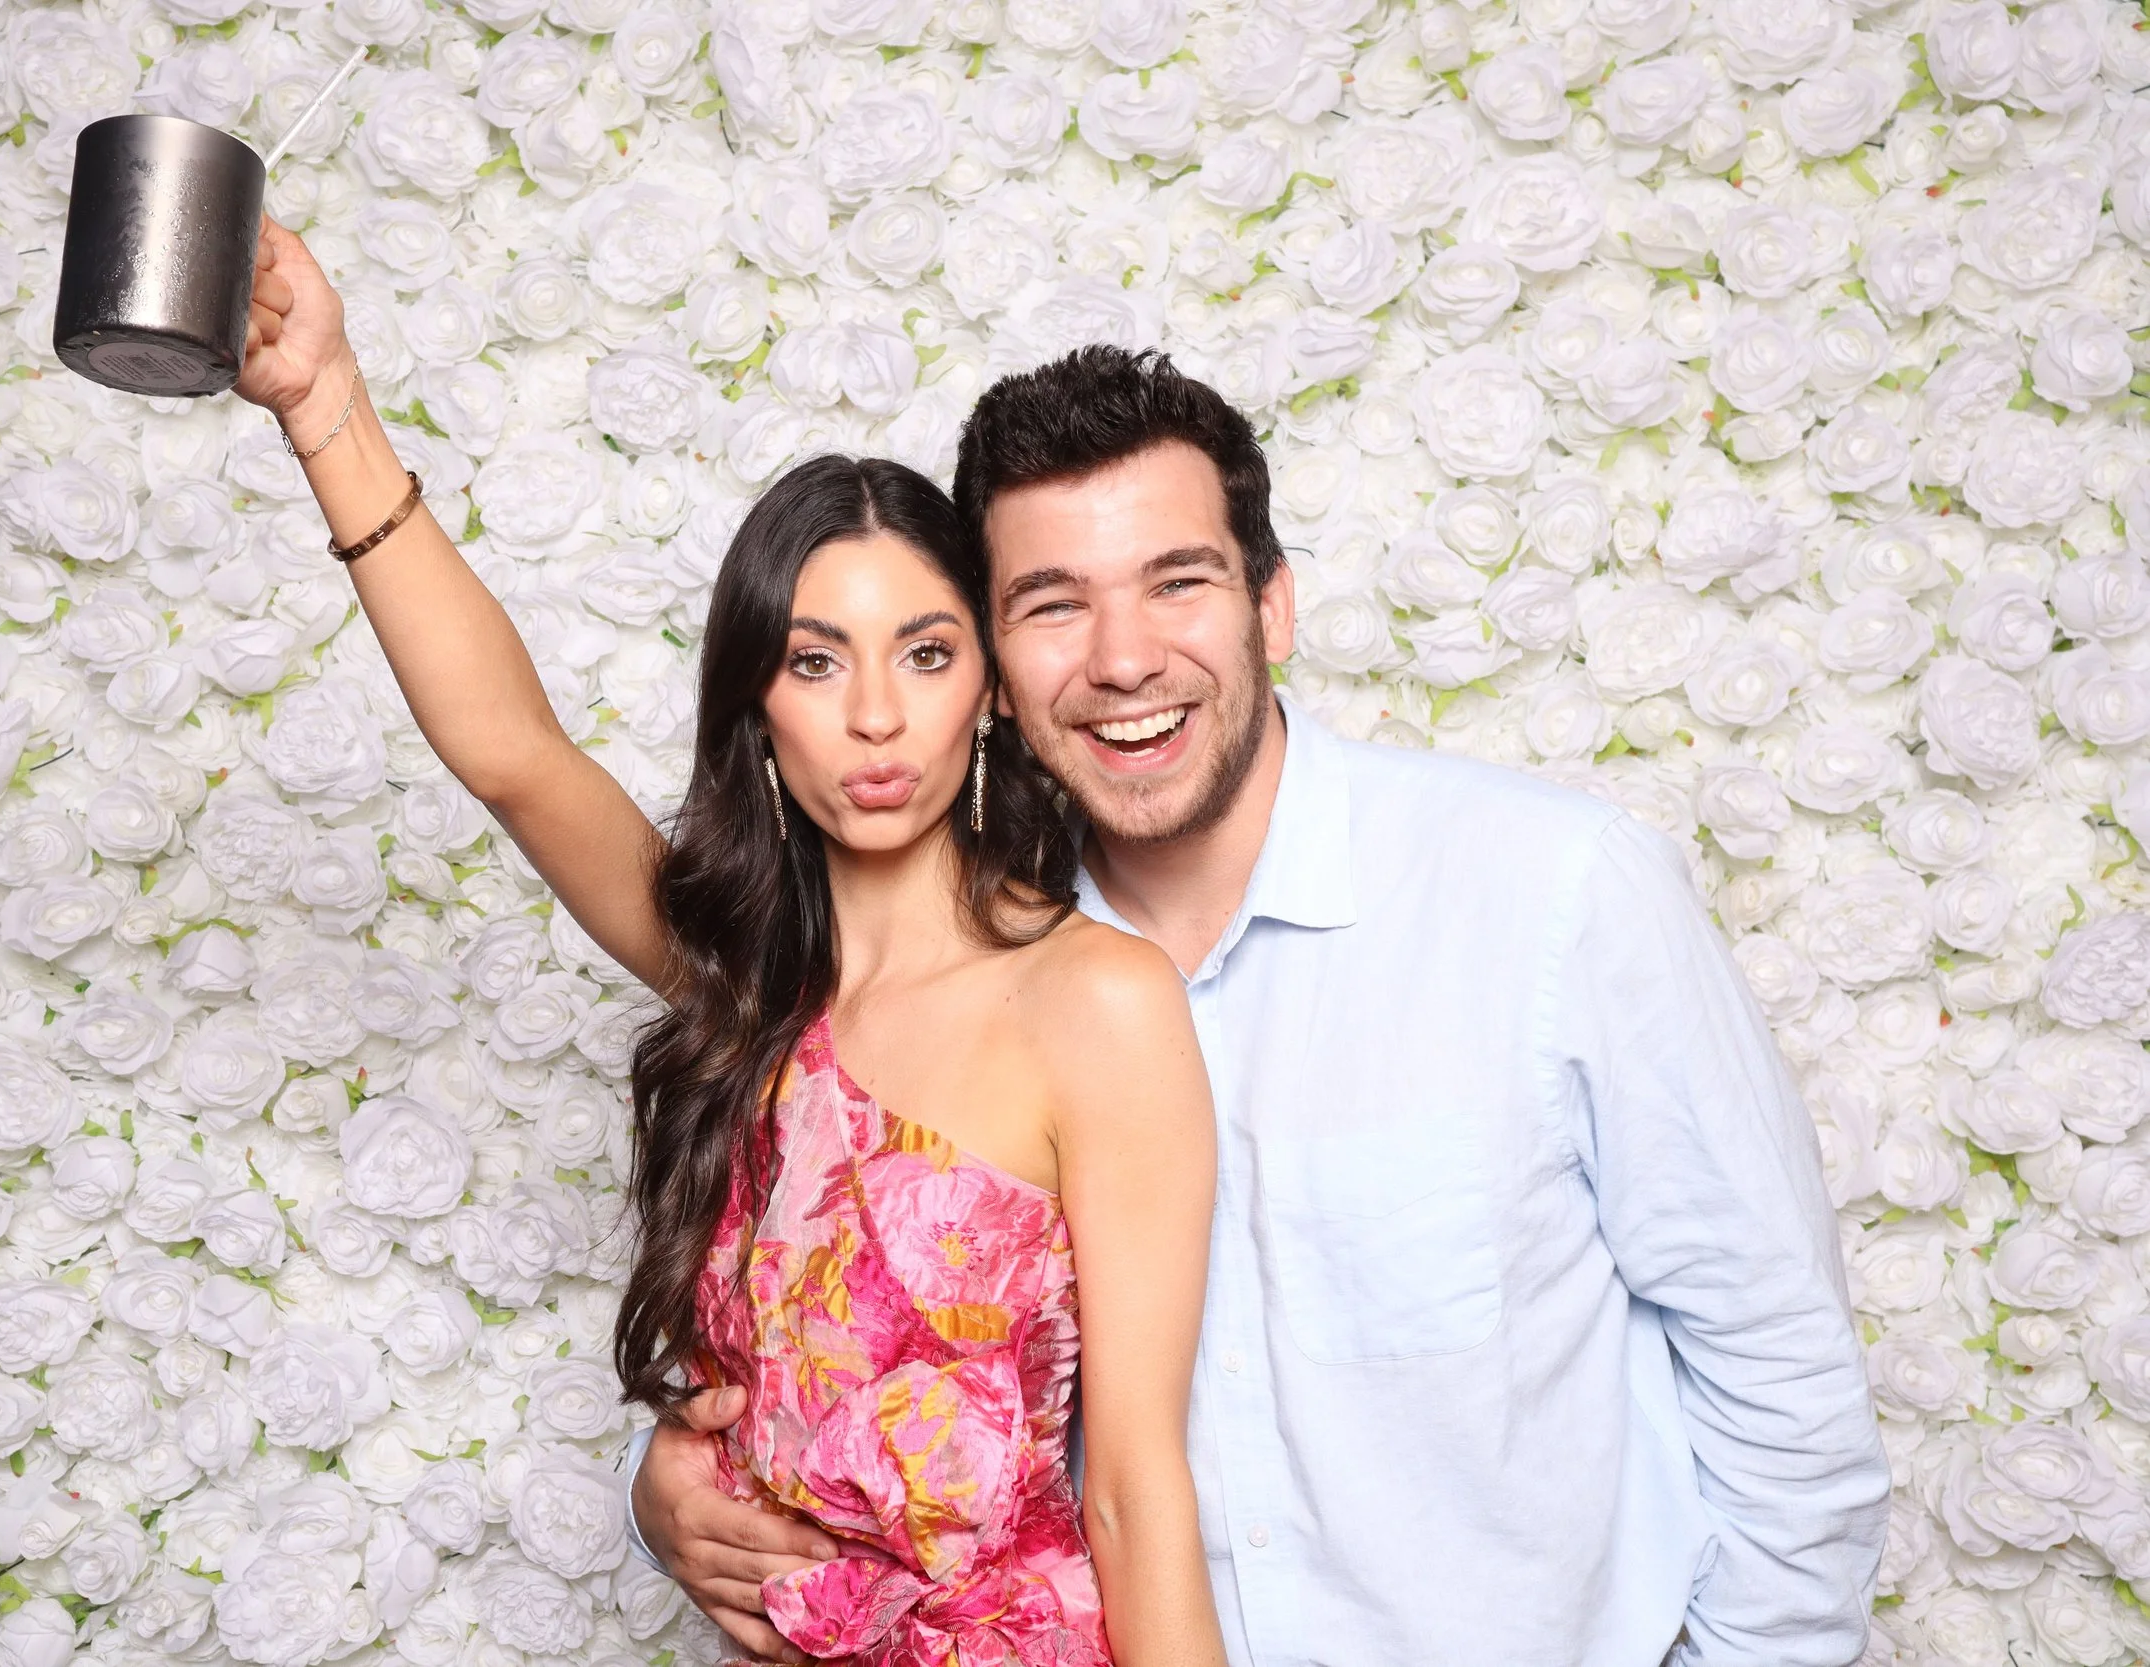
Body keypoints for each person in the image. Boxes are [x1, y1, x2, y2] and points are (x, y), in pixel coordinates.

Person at [631, 346, 1894, 1666]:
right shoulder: (970, 969)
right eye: (1053, 604)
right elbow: (848, 1296)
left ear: (1272, 606)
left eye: (1178, 582)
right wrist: (672, 1487)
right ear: (994, 665)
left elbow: (1785, 1384)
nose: (1124, 660)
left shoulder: (1554, 896)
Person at [230, 218, 1231, 1667]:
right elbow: (513, 754)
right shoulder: (754, 987)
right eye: (816, 660)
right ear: (760, 700)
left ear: (994, 694)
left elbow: (1138, 1491)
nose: (876, 717)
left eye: (928, 653)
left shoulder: (1094, 1001)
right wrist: (328, 409)